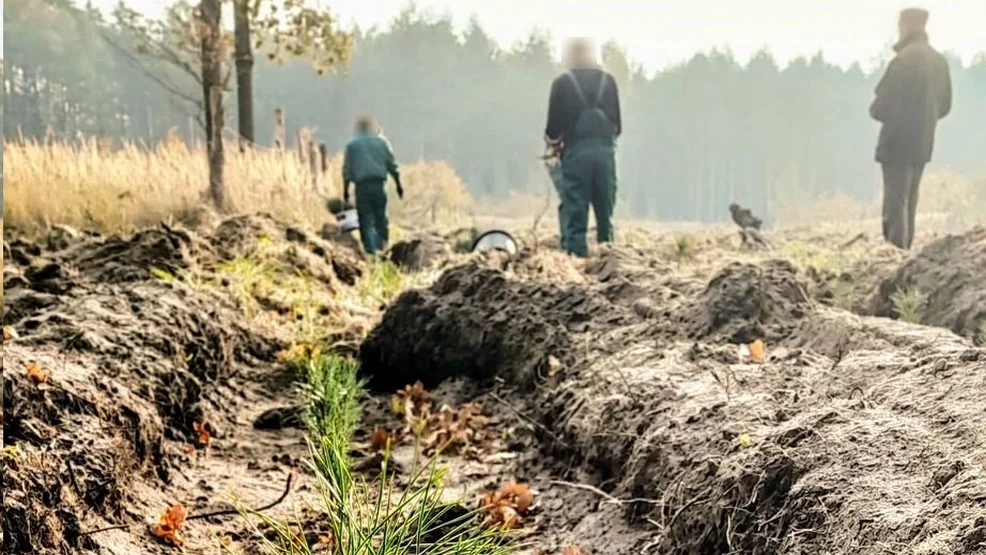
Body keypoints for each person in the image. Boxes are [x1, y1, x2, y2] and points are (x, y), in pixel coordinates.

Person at [869, 8, 951, 250]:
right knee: (910, 200)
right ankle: (906, 251)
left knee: (895, 202)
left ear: (905, 25)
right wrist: (925, 119)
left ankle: (894, 252)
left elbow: (879, 106)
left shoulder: (902, 61)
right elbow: (945, 106)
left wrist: (892, 116)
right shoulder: (939, 62)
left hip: (896, 141)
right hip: (923, 140)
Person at [545, 38, 622, 258]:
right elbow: (617, 126)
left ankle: (577, 264)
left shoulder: (562, 83)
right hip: (606, 153)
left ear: (570, 57)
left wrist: (554, 144)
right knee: (605, 214)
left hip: (576, 154)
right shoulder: (609, 81)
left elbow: (553, 129)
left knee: (575, 213)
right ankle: (608, 262)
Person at [342, 116, 403, 254]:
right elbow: (392, 165)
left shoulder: (352, 146)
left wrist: (345, 190)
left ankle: (370, 250)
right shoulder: (382, 142)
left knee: (365, 219)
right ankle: (383, 248)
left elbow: (347, 170)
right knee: (381, 217)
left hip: (362, 186)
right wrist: (398, 184)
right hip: (379, 184)